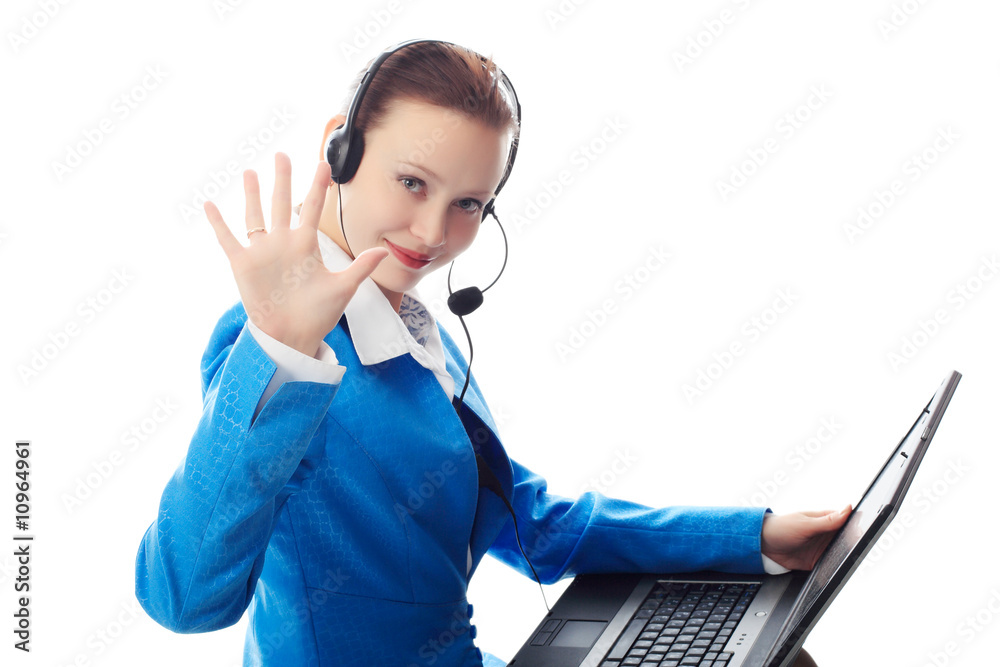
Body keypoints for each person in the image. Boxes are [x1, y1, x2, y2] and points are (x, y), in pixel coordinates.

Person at [134, 40, 848, 667]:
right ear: (340, 149)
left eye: (469, 204)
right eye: (412, 182)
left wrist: (754, 538)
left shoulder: (418, 333)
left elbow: (528, 519)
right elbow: (184, 599)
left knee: (774, 653)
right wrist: (281, 347)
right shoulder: (273, 343)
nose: (431, 232)